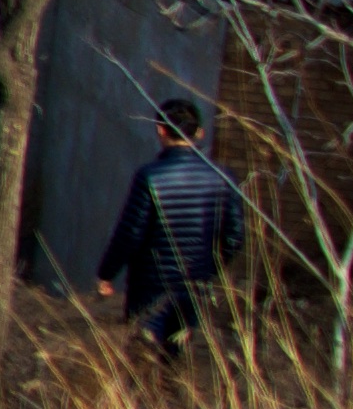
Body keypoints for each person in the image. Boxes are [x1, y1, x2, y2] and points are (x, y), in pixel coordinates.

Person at [91, 95, 247, 354]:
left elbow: (130, 234)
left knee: (144, 356)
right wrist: (210, 268)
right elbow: (234, 236)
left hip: (150, 287)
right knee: (177, 357)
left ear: (160, 130)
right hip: (195, 286)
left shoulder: (149, 177)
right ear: (199, 132)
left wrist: (107, 273)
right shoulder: (223, 178)